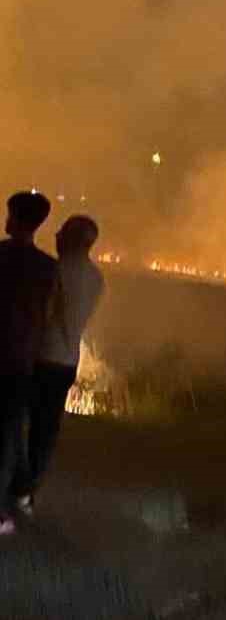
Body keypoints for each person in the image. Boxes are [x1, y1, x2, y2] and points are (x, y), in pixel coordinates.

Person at [10, 214, 104, 516]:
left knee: (16, 420)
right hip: (66, 361)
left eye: (61, 232)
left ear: (72, 239)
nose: (56, 235)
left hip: (40, 356)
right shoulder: (96, 278)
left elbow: (42, 313)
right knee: (46, 428)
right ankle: (28, 490)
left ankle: (18, 484)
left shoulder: (55, 271)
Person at [0, 191, 59, 537]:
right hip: (21, 361)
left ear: (13, 218)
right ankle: (15, 496)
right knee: (8, 433)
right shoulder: (48, 269)